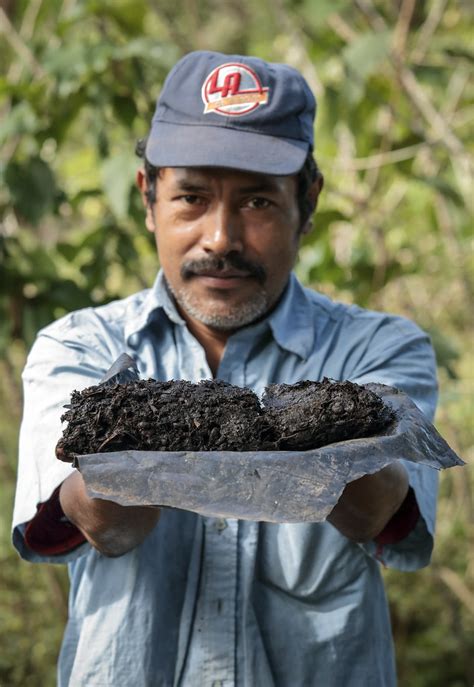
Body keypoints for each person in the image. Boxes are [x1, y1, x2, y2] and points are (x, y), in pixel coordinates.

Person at [13, 51, 438, 687]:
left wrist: (327, 430)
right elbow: (105, 523)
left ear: (308, 201)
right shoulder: (79, 348)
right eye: (190, 197)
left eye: (258, 202)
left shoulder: (378, 349)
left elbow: (375, 513)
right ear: (148, 197)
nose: (220, 238)